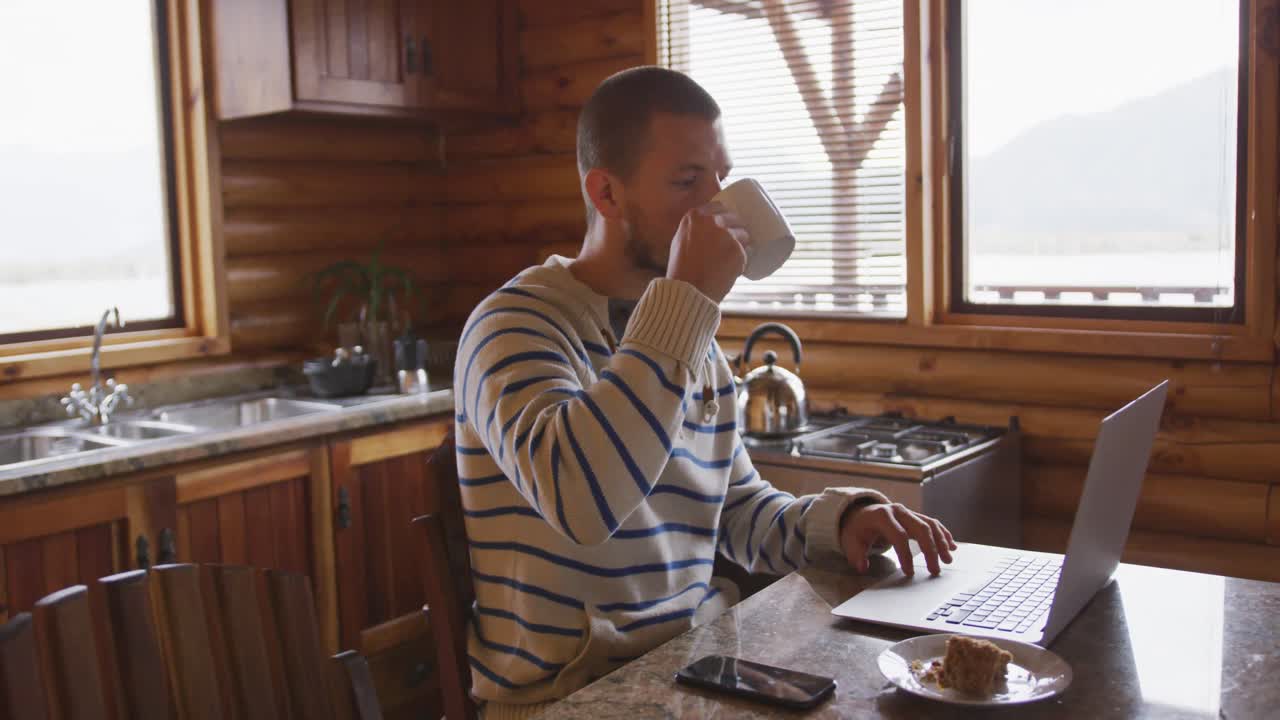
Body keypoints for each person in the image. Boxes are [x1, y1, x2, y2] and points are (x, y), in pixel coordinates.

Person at [454, 66, 956, 720]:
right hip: (568, 697)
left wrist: (843, 520)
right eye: (688, 181)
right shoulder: (514, 326)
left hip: (695, 671)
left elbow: (740, 513)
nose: (717, 204)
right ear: (606, 193)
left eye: (720, 177)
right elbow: (582, 499)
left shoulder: (690, 340)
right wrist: (687, 300)